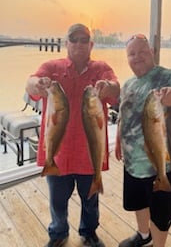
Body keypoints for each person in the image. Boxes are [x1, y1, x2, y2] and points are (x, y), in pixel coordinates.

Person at [26, 23, 120, 247]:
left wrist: (108, 86)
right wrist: (37, 84)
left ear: (91, 44)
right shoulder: (52, 66)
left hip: (89, 153)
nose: (79, 44)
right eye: (74, 39)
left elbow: (116, 89)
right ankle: (58, 232)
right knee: (58, 200)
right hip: (59, 152)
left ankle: (89, 232)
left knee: (90, 199)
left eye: (84, 39)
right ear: (66, 43)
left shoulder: (101, 68)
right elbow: (30, 83)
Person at [115, 34, 171, 247]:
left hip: (161, 164)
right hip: (132, 163)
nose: (137, 57)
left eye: (142, 52)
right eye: (132, 54)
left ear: (152, 52)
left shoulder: (168, 77)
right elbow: (122, 115)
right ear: (127, 58)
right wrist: (118, 140)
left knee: (160, 213)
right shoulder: (127, 84)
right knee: (138, 202)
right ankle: (143, 234)